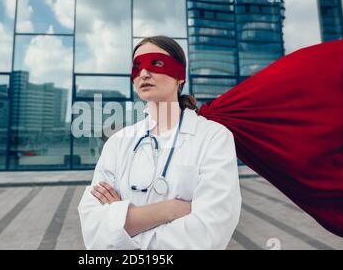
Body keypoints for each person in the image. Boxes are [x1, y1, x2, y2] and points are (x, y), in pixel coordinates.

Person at [78, 35, 242, 249]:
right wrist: (170, 210)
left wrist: (122, 226)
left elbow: (209, 232)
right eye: (137, 67)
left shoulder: (214, 137)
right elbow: (94, 227)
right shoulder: (118, 143)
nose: (144, 73)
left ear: (180, 77)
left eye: (156, 63)